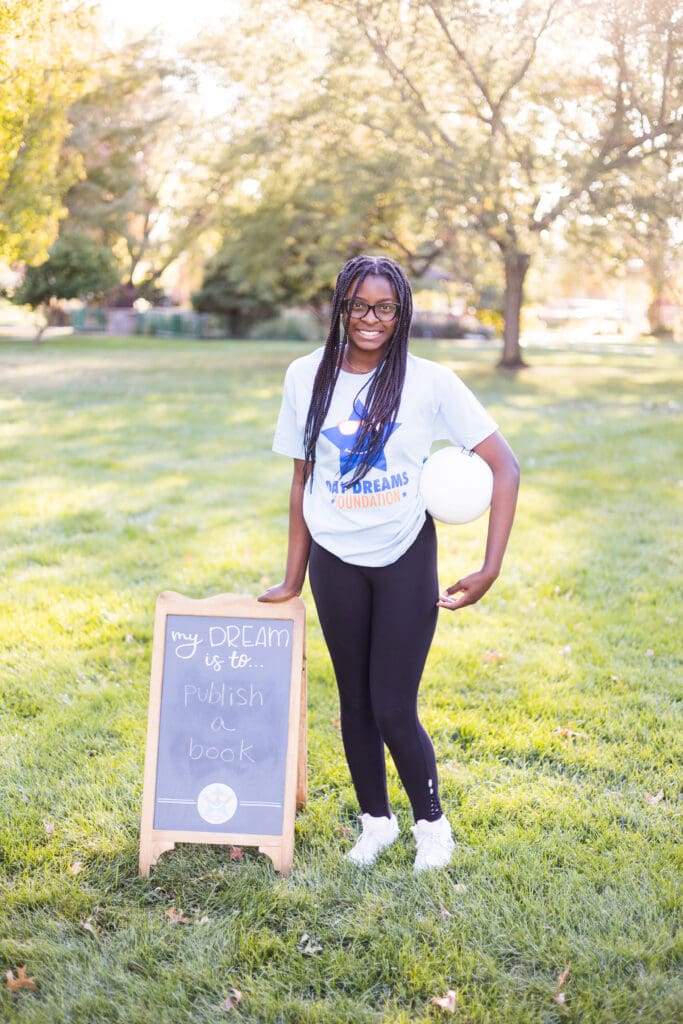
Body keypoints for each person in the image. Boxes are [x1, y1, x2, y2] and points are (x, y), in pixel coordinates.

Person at [259, 255, 519, 871]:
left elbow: (504, 465)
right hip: (334, 560)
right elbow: (302, 478)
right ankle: (376, 822)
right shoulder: (307, 376)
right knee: (353, 702)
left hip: (404, 554)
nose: (369, 319)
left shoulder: (428, 381)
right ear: (340, 308)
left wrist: (490, 566)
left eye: (383, 307)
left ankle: (432, 824)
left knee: (392, 704)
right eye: (357, 306)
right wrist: (294, 576)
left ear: (400, 311)